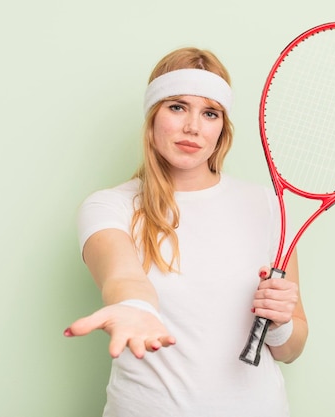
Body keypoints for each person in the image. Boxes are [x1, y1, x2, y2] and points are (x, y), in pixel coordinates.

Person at [64, 47, 308, 417]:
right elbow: (122, 275)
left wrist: (279, 323)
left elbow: (291, 350)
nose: (193, 126)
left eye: (210, 113)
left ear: (221, 127)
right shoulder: (109, 206)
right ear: (153, 116)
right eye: (177, 107)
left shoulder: (268, 206)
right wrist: (134, 305)